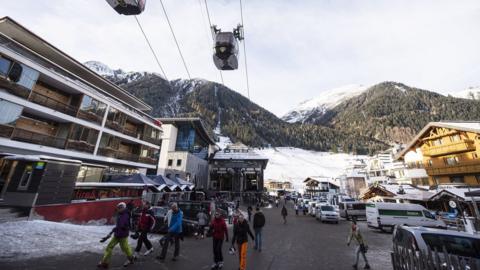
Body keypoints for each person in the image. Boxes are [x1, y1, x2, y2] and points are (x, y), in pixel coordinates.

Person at [97, 202, 134, 268]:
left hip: (123, 236)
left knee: (125, 248)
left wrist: (124, 228)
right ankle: (105, 263)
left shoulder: (125, 215)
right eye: (118, 208)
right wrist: (110, 234)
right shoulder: (120, 214)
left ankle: (131, 258)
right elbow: (118, 226)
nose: (119, 209)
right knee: (109, 247)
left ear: (124, 208)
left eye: (120, 207)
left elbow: (123, 226)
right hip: (117, 235)